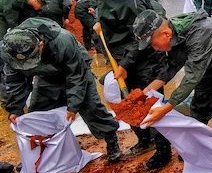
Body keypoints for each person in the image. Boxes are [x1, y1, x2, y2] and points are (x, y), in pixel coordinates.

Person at [78, 0, 172, 173]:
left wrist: (125, 65)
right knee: (128, 102)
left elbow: (143, 38)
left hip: (144, 57)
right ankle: (145, 139)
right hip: (121, 58)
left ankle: (163, 151)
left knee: (150, 103)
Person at [132, 9, 212, 164]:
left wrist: (165, 109)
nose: (154, 48)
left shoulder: (200, 33)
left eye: (153, 44)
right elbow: (172, 65)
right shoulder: (175, 34)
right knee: (200, 103)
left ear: (165, 34)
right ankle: (197, 143)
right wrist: (147, 91)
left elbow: (192, 77)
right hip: (207, 62)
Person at [0, 18, 122, 163]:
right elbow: (15, 81)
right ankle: (39, 156)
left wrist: (73, 106)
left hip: (76, 71)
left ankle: (111, 140)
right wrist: (15, 109)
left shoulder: (62, 40)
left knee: (91, 108)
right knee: (39, 115)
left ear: (41, 44)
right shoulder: (9, 50)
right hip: (45, 77)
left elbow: (76, 76)